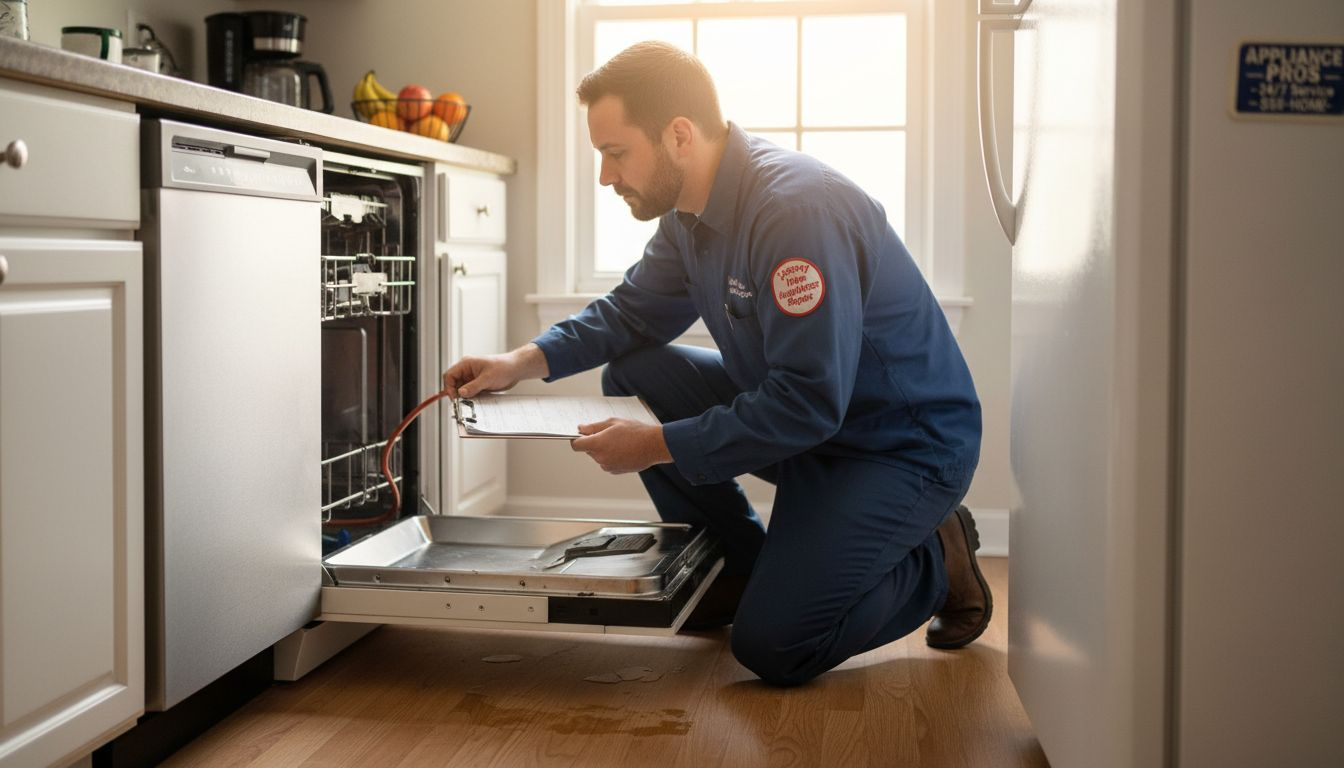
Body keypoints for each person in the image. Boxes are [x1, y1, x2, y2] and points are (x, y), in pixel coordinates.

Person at [440, 41, 990, 687]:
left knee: (777, 647)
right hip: (817, 428)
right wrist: (520, 361)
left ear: (678, 135)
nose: (606, 177)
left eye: (615, 153)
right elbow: (632, 313)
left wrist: (657, 443)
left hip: (896, 447)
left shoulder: (795, 213)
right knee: (637, 372)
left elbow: (808, 400)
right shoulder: (690, 214)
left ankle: (935, 554)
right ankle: (737, 565)